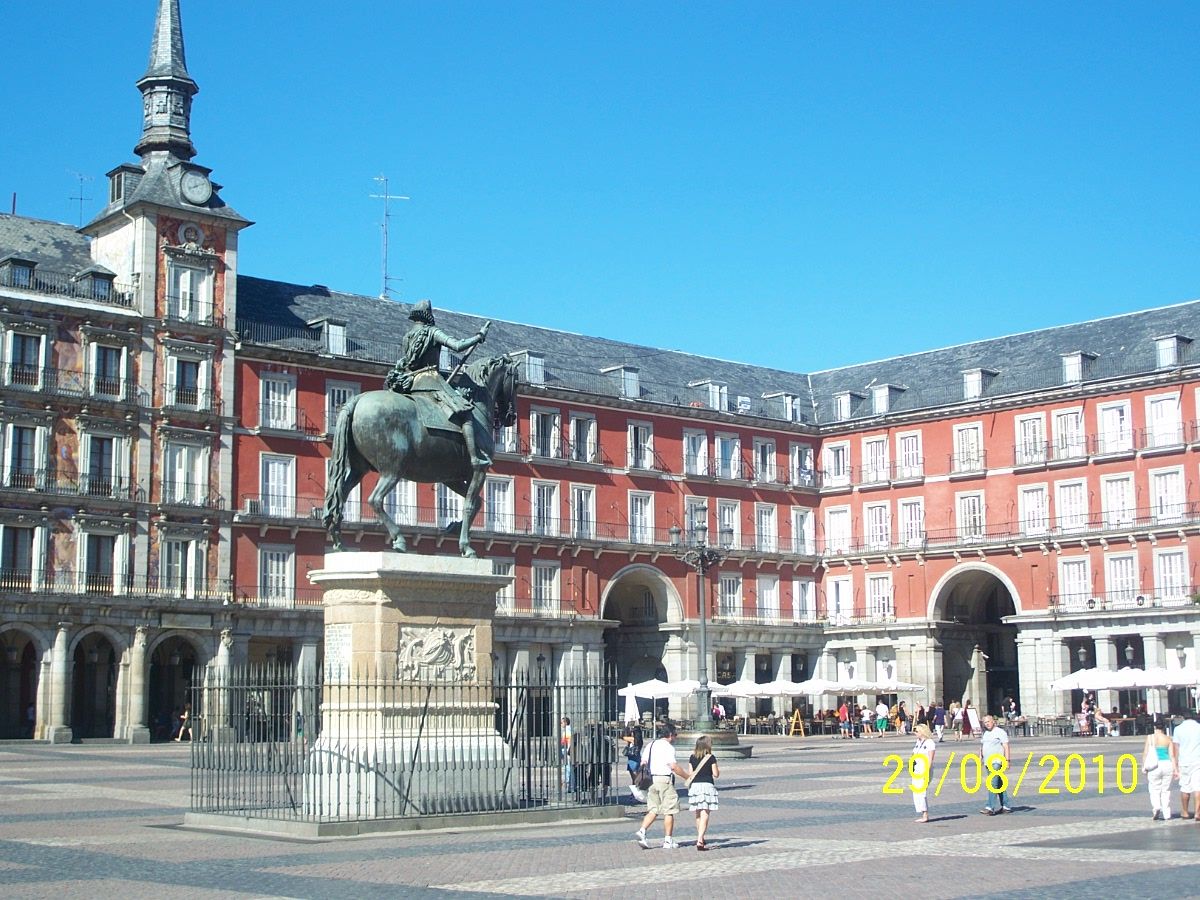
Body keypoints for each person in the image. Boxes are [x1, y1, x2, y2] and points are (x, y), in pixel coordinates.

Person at [384, 299, 493, 468]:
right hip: (430, 380)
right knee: (464, 411)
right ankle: (474, 457)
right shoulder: (432, 332)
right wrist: (479, 336)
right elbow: (458, 345)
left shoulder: (407, 336)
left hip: (410, 383)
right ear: (429, 315)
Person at [634, 723, 691, 850]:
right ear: (670, 735)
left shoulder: (651, 745)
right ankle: (668, 840)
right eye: (675, 735)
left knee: (653, 809)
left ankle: (642, 831)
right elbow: (673, 767)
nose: (675, 737)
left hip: (651, 781)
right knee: (669, 811)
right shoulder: (668, 747)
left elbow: (643, 763)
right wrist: (688, 777)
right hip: (664, 780)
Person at [687, 735, 720, 850]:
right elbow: (716, 774)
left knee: (698, 814)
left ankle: (701, 836)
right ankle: (700, 840)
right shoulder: (711, 758)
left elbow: (690, 774)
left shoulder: (692, 757)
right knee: (705, 813)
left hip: (695, 786)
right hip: (707, 786)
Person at [1144, 715, 1177, 820]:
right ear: (1164, 727)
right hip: (1167, 764)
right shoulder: (1168, 739)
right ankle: (1167, 813)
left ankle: (1156, 807)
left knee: (1154, 788)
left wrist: (1144, 766)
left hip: (1154, 765)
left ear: (1155, 727)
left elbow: (1145, 753)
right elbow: (1172, 755)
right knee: (1166, 790)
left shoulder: (1150, 738)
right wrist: (1175, 769)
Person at [979, 714, 1012, 815]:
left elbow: (1006, 746)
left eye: (988, 721)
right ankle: (1006, 806)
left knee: (992, 784)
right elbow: (983, 745)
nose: (987, 724)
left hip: (997, 762)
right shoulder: (985, 733)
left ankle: (990, 807)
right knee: (999, 784)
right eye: (985, 722)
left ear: (993, 721)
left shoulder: (1000, 732)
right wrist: (980, 756)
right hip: (988, 762)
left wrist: (1007, 760)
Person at [1172, 710, 1200, 822]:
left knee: (1185, 788)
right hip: (1198, 760)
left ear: (1183, 717)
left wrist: (1176, 765)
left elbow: (1176, 748)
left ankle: (1185, 811)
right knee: (1198, 787)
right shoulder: (1199, 727)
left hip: (1184, 762)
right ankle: (1198, 812)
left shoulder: (1178, 729)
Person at [910, 723, 937, 823]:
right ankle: (923, 813)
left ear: (922, 732)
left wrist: (926, 771)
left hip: (924, 769)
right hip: (916, 769)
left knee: (921, 791)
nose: (915, 733)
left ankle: (925, 815)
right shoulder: (918, 741)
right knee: (916, 791)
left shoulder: (930, 742)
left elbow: (930, 758)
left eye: (916, 731)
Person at [621, 720, 646, 801]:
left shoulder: (633, 739)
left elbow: (622, 737)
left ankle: (636, 793)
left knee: (634, 777)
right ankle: (635, 793)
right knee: (634, 778)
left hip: (633, 758)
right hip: (635, 757)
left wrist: (626, 728)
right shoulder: (638, 740)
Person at [559, 716, 573, 792]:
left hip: (566, 750)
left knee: (567, 768)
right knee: (567, 768)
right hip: (564, 750)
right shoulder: (566, 730)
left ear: (566, 722)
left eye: (561, 723)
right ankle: (568, 784)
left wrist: (567, 752)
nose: (561, 724)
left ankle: (568, 785)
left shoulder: (568, 731)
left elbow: (569, 742)